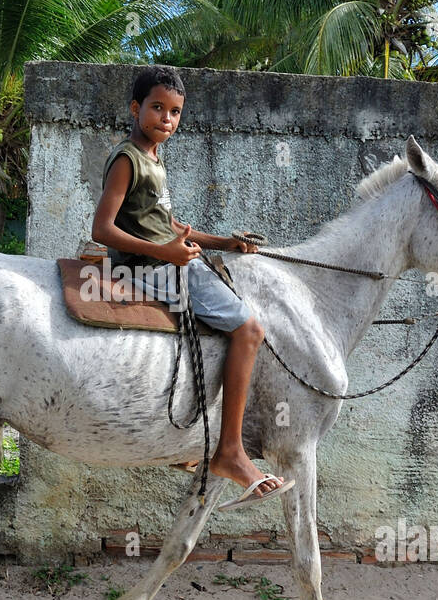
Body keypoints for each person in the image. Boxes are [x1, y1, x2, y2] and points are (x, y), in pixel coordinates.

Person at [90, 64, 294, 510]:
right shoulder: (128, 160)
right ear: (135, 108)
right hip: (147, 268)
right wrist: (166, 254)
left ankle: (191, 440)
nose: (166, 118)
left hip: (166, 258)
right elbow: (102, 229)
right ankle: (230, 452)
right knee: (249, 330)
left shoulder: (154, 160)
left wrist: (225, 242)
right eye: (157, 108)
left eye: (175, 112)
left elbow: (169, 226)